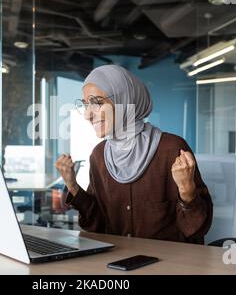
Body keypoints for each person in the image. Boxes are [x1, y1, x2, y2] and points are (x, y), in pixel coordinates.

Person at [55, 65, 213, 244]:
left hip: (169, 265)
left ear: (125, 100)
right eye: (85, 105)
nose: (87, 115)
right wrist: (72, 186)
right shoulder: (99, 155)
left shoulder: (171, 149)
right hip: (117, 264)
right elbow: (96, 225)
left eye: (97, 103)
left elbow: (198, 229)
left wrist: (187, 190)